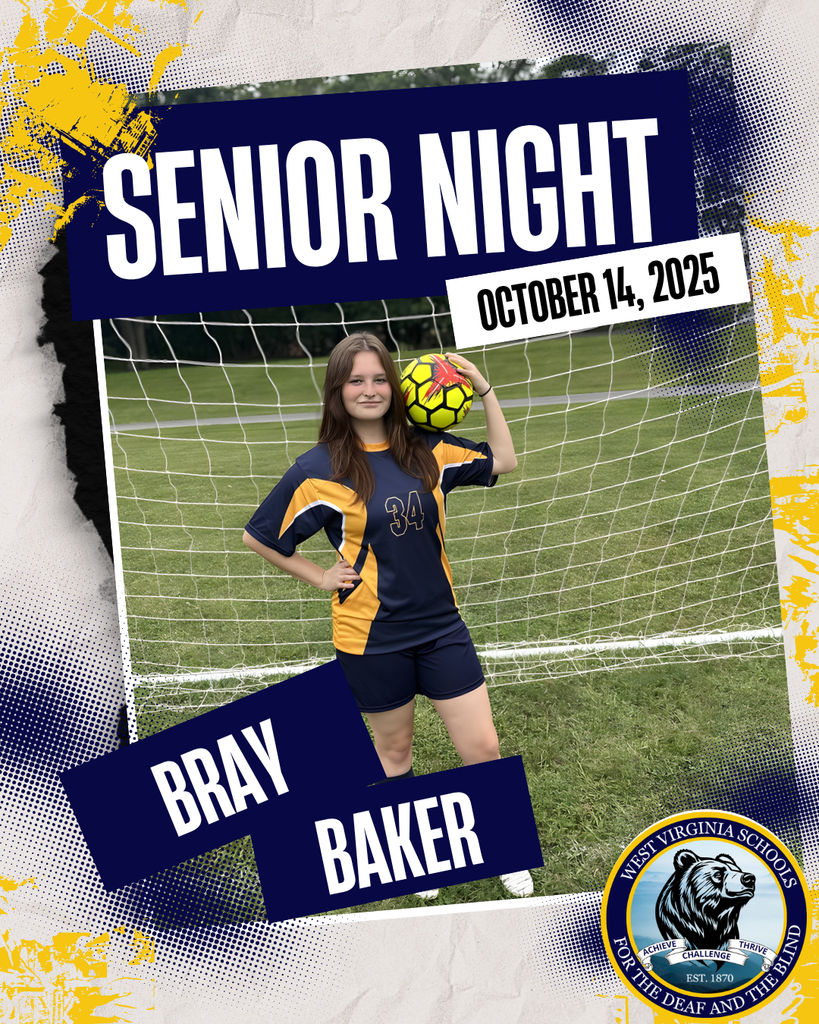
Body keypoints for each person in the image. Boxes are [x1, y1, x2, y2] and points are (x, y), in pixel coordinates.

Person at [242, 332, 534, 899]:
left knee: (484, 749)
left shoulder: (428, 448)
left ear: (396, 386)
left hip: (442, 629)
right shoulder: (318, 469)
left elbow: (505, 460)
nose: (370, 390)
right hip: (370, 638)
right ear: (338, 391)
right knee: (394, 752)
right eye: (356, 380)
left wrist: (485, 389)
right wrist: (320, 576)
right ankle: (416, 857)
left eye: (380, 378)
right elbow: (261, 536)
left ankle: (505, 849)